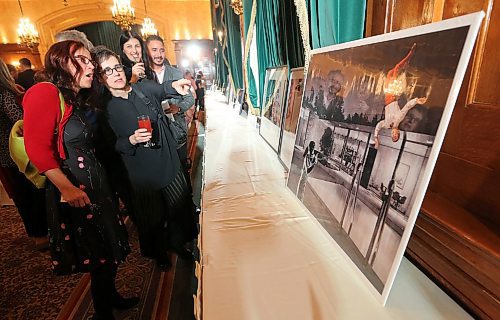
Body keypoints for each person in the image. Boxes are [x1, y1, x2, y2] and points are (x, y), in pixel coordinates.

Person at [23, 40, 136, 320]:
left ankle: (110, 297)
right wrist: (67, 188)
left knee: (107, 251)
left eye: (91, 61)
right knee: (97, 255)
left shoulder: (74, 97)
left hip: (96, 187)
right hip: (75, 189)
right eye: (82, 60)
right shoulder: (44, 92)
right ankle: (103, 313)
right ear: (62, 63)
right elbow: (36, 149)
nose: (91, 66)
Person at [92, 47, 198, 269]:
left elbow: (164, 89)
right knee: (153, 219)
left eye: (117, 67)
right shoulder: (104, 110)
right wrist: (130, 140)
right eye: (108, 71)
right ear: (101, 78)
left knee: (178, 208)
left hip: (167, 161)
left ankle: (178, 244)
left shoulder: (143, 89)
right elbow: (110, 146)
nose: (116, 74)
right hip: (141, 172)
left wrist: (175, 85)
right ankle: (160, 254)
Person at [0, 58, 47, 249]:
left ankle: (36, 234)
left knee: (21, 196)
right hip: (18, 153)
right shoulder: (5, 95)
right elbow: (21, 122)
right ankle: (41, 234)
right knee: (33, 193)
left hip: (4, 155)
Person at [146, 35, 196, 172]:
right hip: (156, 135)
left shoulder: (175, 73)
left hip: (177, 132)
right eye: (154, 50)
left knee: (182, 170)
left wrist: (178, 108)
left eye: (162, 50)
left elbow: (190, 99)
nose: (159, 54)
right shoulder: (143, 75)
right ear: (147, 52)